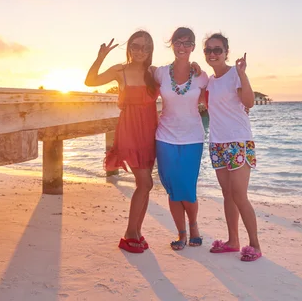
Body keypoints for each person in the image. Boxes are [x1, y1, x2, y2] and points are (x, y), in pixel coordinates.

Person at [84, 30, 159, 254]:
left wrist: (193, 65)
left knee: (146, 185)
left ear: (151, 50)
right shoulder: (120, 70)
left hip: (150, 131)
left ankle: (136, 231)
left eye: (146, 47)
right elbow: (90, 81)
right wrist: (101, 57)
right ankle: (129, 234)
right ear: (129, 48)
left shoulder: (154, 73)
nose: (140, 51)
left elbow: (179, 81)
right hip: (129, 131)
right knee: (145, 183)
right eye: (136, 46)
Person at [203, 33, 262, 262]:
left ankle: (255, 245)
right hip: (217, 142)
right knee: (227, 193)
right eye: (208, 50)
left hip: (238, 142)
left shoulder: (234, 75)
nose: (213, 54)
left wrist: (243, 74)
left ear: (226, 51)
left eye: (217, 49)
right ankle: (233, 241)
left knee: (239, 195)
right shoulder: (210, 81)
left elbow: (249, 103)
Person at [155, 27, 209, 251]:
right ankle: (181, 233)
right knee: (173, 188)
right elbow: (138, 81)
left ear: (194, 47)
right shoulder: (159, 73)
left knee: (187, 188)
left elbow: (220, 96)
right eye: (178, 42)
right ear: (172, 44)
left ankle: (194, 226)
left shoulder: (200, 76)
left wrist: (242, 106)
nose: (182, 47)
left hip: (192, 138)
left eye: (187, 43)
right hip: (165, 137)